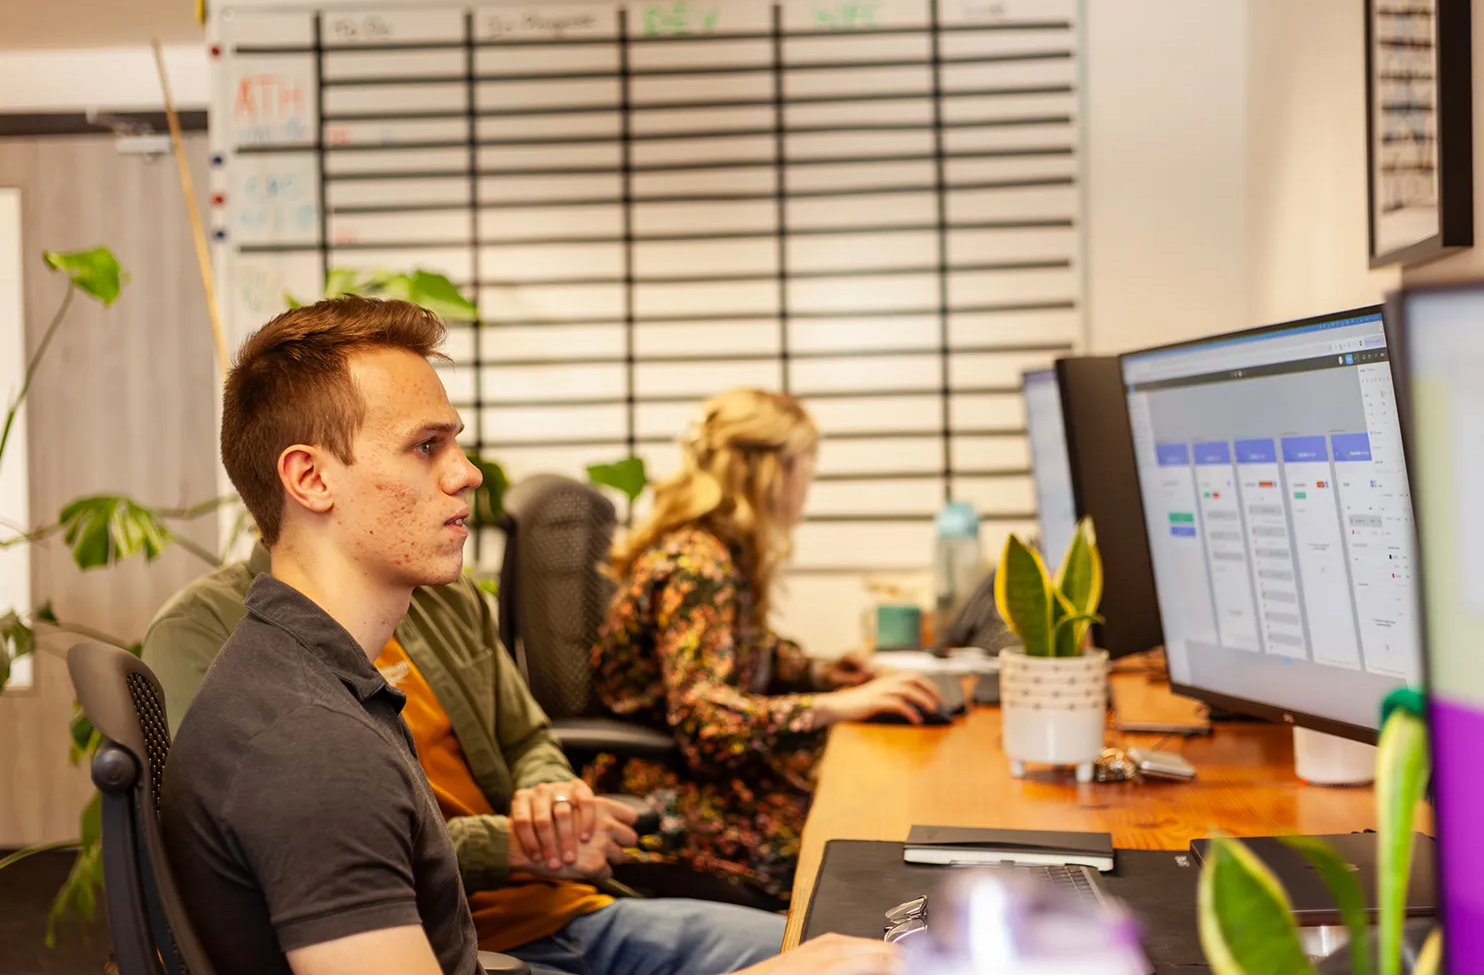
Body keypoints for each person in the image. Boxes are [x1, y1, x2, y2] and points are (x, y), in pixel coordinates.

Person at [157, 298, 902, 975]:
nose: (469, 474)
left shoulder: (330, 677)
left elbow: (521, 749)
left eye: (457, 444)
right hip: (510, 936)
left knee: (860, 946)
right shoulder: (309, 744)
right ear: (311, 480)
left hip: (531, 928)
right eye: (426, 446)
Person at [590, 389, 942, 908]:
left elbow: (733, 649)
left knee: (866, 808)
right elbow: (703, 716)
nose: (808, 484)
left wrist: (821, 674)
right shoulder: (698, 564)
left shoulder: (715, 547)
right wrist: (830, 707)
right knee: (851, 836)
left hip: (686, 771)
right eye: (806, 466)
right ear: (770, 471)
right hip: (661, 788)